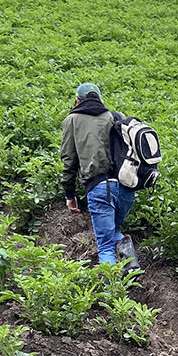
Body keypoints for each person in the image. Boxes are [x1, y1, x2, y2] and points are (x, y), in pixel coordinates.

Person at [61, 82, 136, 265]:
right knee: (113, 230)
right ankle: (128, 259)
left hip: (100, 187)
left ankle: (111, 291)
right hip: (126, 188)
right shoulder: (116, 117)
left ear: (77, 101)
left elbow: (69, 162)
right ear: (101, 99)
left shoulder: (72, 120)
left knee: (105, 247)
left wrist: (70, 194)